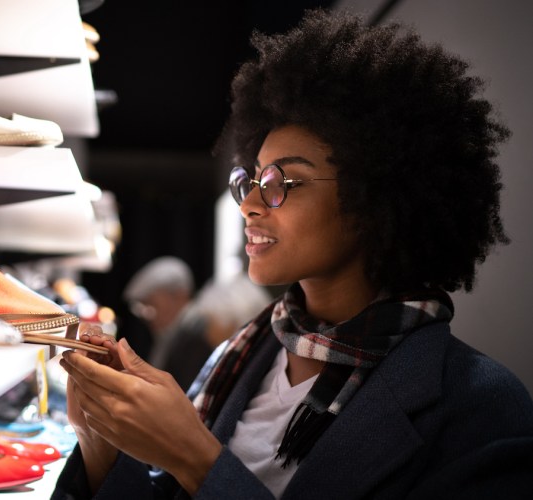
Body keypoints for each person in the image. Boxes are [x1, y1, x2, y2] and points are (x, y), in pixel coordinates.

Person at [53, 9, 533, 499]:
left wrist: (195, 457)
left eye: (283, 182)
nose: (251, 206)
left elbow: (195, 472)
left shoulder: (482, 407)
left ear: (376, 199)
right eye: (251, 181)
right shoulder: (248, 348)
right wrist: (101, 441)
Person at [123, 256, 204, 389]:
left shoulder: (196, 337)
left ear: (179, 295)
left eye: (151, 303)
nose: (145, 314)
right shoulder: (173, 335)